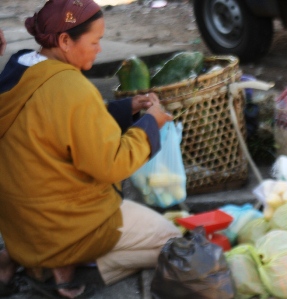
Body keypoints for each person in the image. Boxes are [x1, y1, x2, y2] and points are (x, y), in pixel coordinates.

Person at [0, 0, 182, 298]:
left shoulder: (19, 66)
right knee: (171, 242)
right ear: (64, 41)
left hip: (22, 226)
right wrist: (151, 124)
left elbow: (62, 124)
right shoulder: (73, 88)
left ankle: (19, 257)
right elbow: (111, 164)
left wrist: (125, 109)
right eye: (95, 41)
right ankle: (59, 268)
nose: (99, 48)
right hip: (62, 223)